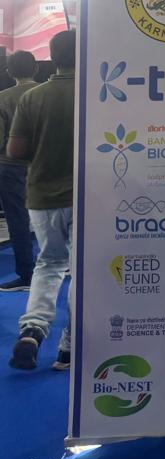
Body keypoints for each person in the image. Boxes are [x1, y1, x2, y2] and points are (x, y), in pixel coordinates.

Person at [7, 30, 76, 371]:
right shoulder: (99, 95)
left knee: (49, 264)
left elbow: (15, 150)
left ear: (51, 58)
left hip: (42, 196)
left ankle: (32, 331)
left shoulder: (32, 97)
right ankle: (69, 349)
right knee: (83, 271)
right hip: (87, 198)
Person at [0, 51, 39, 292]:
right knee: (55, 219)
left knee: (18, 221)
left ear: (9, 72)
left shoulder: (2, 99)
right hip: (46, 165)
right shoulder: (47, 94)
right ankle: (60, 266)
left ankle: (26, 274)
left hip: (11, 167)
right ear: (36, 69)